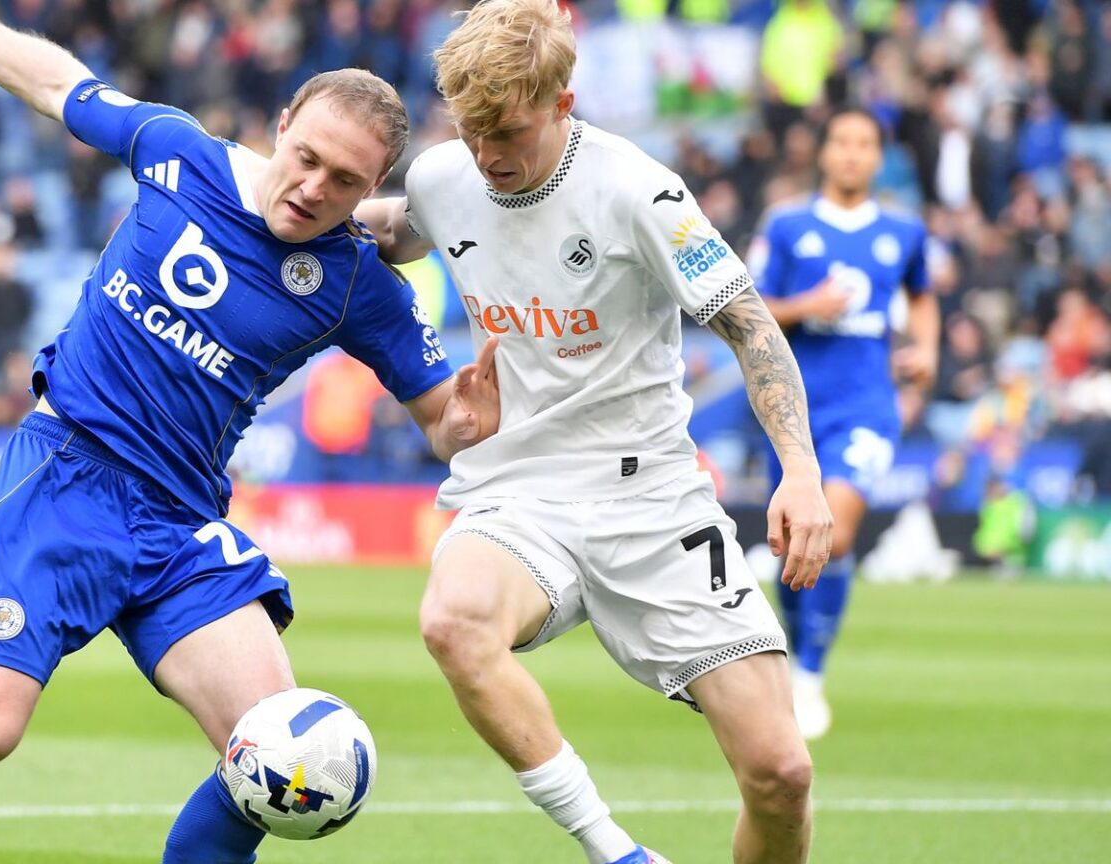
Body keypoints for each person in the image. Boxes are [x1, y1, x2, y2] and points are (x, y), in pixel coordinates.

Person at [0, 2, 500, 863]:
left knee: (275, 754)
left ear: (375, 186)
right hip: (65, 478)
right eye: (307, 158)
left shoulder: (358, 282)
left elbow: (446, 421)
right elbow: (55, 81)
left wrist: (469, 422)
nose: (314, 188)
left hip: (178, 523)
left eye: (346, 181)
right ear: (280, 127)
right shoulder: (181, 154)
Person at [355, 2, 833, 862]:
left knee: (781, 773)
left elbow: (753, 327)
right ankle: (616, 850)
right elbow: (393, 229)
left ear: (563, 103)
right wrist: (293, 199)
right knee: (453, 619)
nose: (489, 155)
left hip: (651, 497)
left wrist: (799, 471)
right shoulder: (443, 175)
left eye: (509, 130)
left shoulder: (638, 191)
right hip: (518, 491)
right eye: (471, 133)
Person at [751, 106, 939, 739]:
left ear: (879, 157)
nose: (854, 154)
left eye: (865, 144)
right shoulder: (786, 225)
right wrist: (810, 305)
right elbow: (749, 308)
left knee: (836, 518)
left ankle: (808, 674)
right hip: (793, 412)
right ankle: (792, 661)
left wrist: (926, 350)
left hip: (867, 406)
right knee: (796, 539)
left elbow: (924, 299)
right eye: (843, 142)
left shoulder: (905, 232)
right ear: (824, 152)